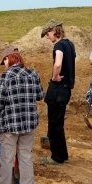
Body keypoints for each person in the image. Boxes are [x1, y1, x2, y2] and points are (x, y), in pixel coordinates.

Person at [0, 47, 44, 184]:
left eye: (4, 60)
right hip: (29, 124)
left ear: (9, 58)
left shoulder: (5, 76)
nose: (4, 64)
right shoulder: (33, 73)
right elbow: (40, 95)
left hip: (10, 126)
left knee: (6, 158)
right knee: (25, 156)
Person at [40, 19, 76, 165]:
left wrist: (55, 76)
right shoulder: (70, 44)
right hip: (66, 89)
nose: (48, 37)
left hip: (58, 89)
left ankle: (56, 157)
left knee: (54, 124)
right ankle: (62, 154)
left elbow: (58, 63)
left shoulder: (59, 45)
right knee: (58, 123)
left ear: (54, 31)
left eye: (48, 34)